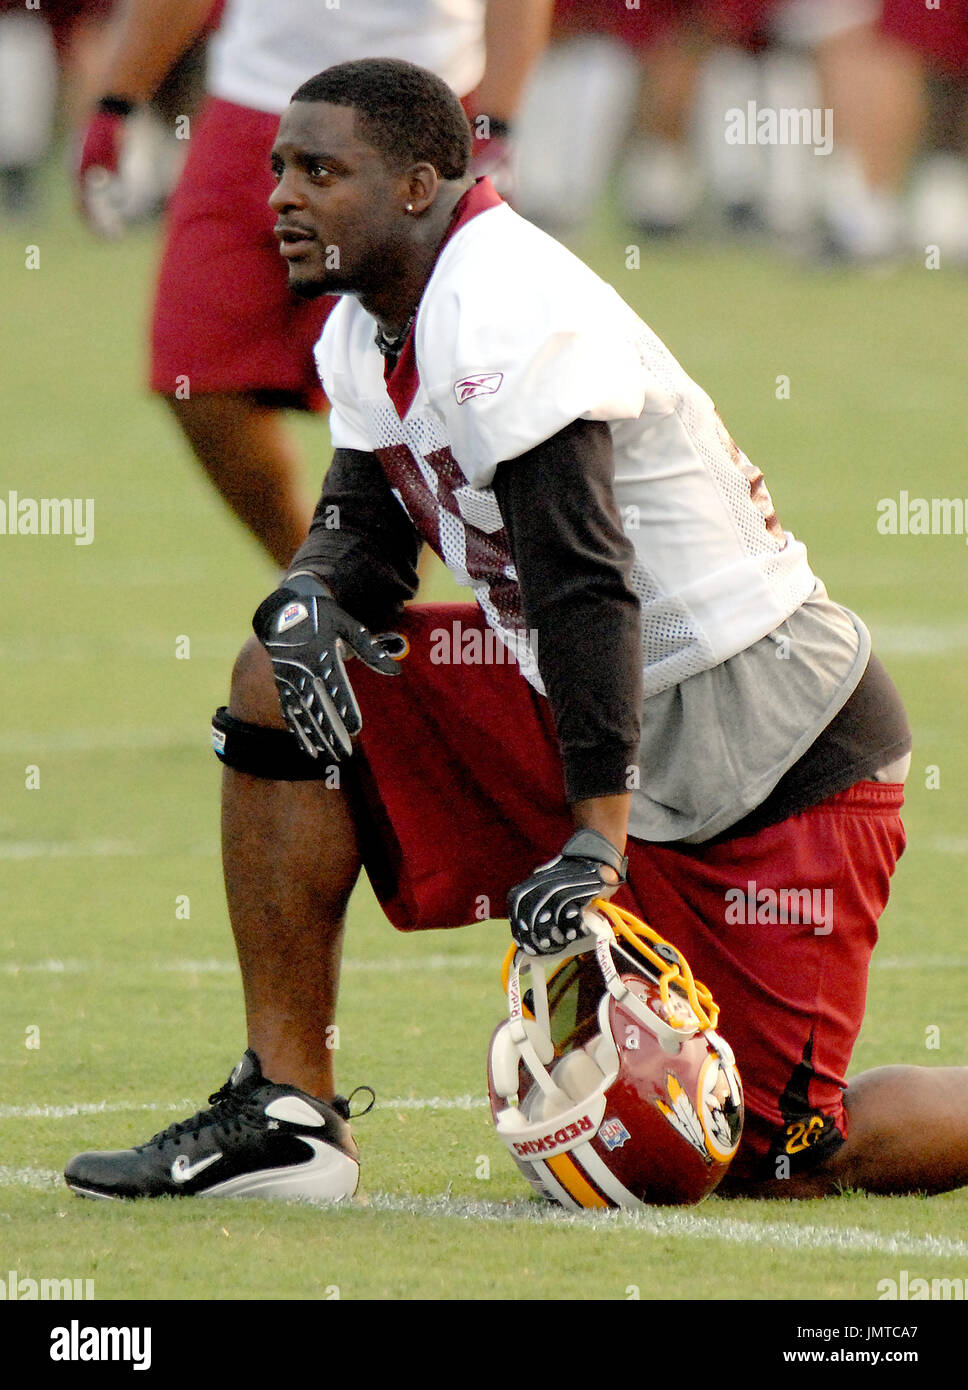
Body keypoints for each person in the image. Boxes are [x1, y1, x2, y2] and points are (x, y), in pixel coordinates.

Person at [65, 58, 968, 1208]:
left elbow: (584, 581)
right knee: (279, 675)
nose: (280, 198)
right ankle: (288, 1111)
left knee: (769, 1153)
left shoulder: (499, 300)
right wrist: (309, 592)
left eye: (319, 171)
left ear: (418, 186)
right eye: (278, 169)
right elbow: (370, 519)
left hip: (766, 746)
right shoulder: (366, 321)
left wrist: (594, 838)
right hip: (598, 708)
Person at [75, 0, 552, 567]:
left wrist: (495, 123)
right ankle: (324, 586)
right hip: (253, 104)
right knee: (194, 370)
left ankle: (355, 601)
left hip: (417, 110)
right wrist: (116, 101)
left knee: (414, 396)